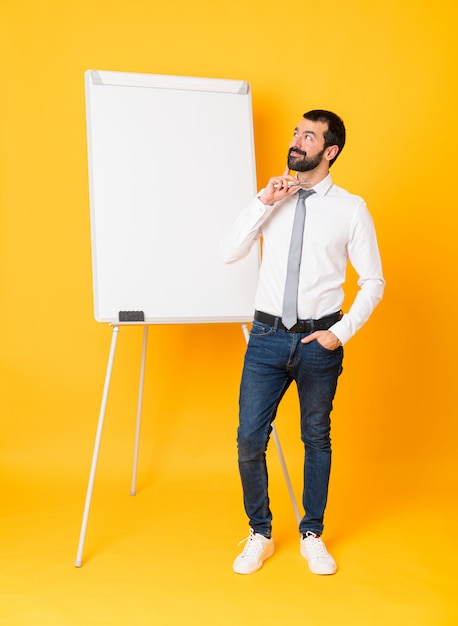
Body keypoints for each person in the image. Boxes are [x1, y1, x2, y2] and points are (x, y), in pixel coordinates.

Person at [221, 110, 385, 576]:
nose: (296, 141)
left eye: (308, 136)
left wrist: (340, 332)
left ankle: (312, 532)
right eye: (296, 132)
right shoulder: (273, 199)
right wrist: (262, 201)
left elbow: (373, 281)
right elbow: (229, 251)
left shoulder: (351, 209)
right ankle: (261, 532)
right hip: (267, 337)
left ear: (329, 151)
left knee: (316, 437)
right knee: (249, 437)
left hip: (319, 340)